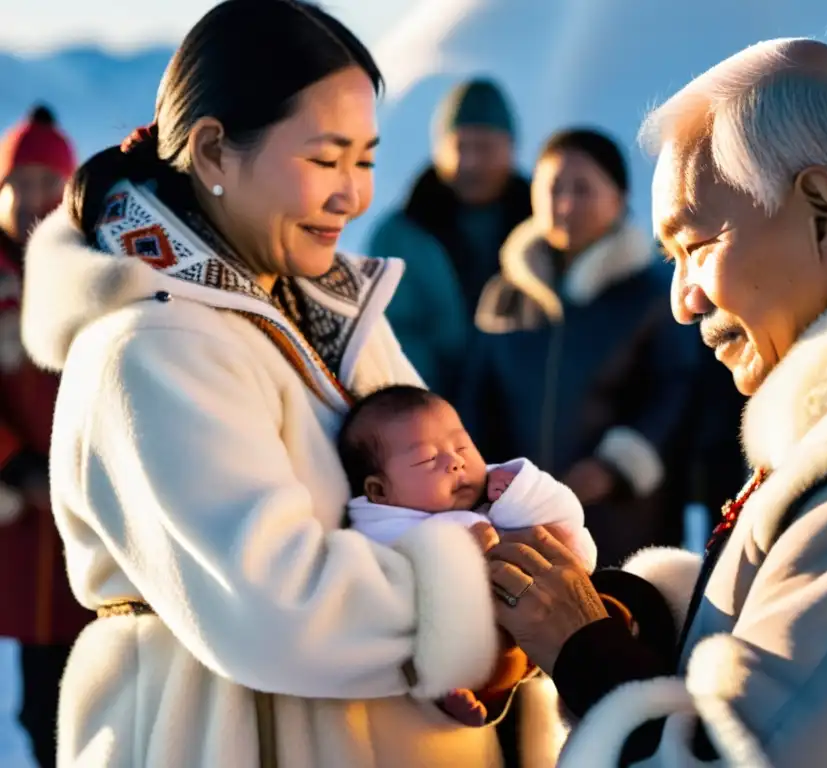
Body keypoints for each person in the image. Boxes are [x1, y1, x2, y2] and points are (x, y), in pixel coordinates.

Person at [19, 2, 560, 765]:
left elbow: (453, 495)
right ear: (212, 152)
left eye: (366, 160)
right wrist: (503, 605)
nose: (353, 194)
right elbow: (280, 604)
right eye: (325, 159)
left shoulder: (332, 309)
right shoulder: (150, 344)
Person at [485, 38, 827, 767]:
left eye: (698, 244)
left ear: (822, 216)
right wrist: (634, 618)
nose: (683, 301)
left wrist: (589, 658)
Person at [462, 128, 702, 568]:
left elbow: (675, 390)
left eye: (583, 189)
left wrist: (616, 466)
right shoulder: (505, 293)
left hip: (623, 519)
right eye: (553, 188)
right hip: (518, 517)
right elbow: (477, 396)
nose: (565, 205)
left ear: (619, 198)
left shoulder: (649, 294)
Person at [338, 384, 597, 727]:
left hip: (549, 611)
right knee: (472, 657)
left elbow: (565, 516)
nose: (455, 462)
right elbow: (391, 586)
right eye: (428, 459)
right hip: (481, 638)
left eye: (461, 445)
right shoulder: (384, 529)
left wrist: (519, 489)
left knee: (608, 602)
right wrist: (453, 559)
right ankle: (462, 696)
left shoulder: (492, 490)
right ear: (379, 491)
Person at [0, 104, 90, 768]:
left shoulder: (88, 267)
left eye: (47, 182)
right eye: (19, 181)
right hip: (21, 508)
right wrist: (14, 464)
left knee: (96, 670)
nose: (33, 197)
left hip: (86, 492)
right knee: (41, 689)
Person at [366, 78, 531, 397]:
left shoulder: (548, 227)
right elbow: (389, 334)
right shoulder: (399, 237)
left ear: (510, 149)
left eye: (484, 148)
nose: (471, 163)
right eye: (460, 147)